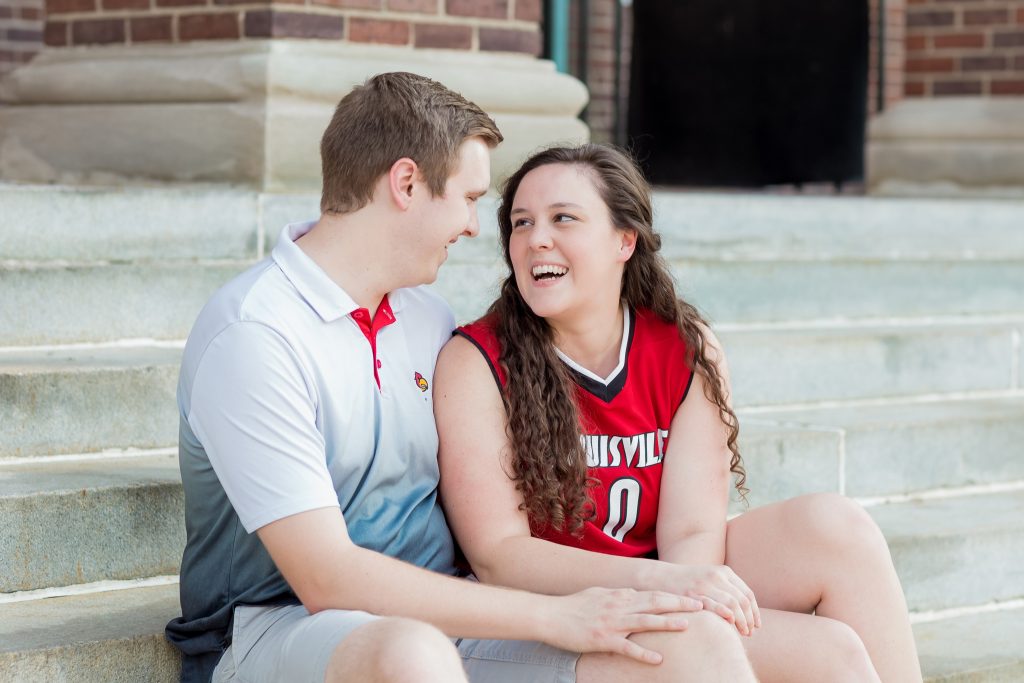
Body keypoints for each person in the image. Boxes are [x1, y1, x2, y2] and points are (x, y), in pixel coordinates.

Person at [165, 74, 760, 683]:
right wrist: (550, 617)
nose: (478, 227)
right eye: (470, 197)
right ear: (406, 183)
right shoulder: (255, 335)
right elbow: (327, 579)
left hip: (453, 610)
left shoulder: (426, 316)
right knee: (412, 654)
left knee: (691, 645)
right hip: (273, 627)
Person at [434, 143, 924, 683]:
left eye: (563, 218)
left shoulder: (683, 346)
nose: (536, 239)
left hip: (658, 577)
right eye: (521, 223)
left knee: (838, 530)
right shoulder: (476, 359)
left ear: (625, 240)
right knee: (826, 652)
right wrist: (664, 589)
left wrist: (683, 585)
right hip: (539, 612)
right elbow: (499, 556)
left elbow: (692, 530)